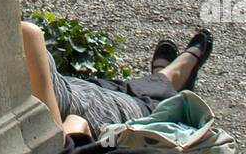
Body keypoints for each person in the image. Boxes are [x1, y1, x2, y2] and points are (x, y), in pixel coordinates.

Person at [20, 19, 214, 142]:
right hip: (99, 113)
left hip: (81, 90)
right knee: (149, 103)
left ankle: (166, 75)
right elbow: (57, 143)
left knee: (126, 89)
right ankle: (174, 74)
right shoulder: (25, 35)